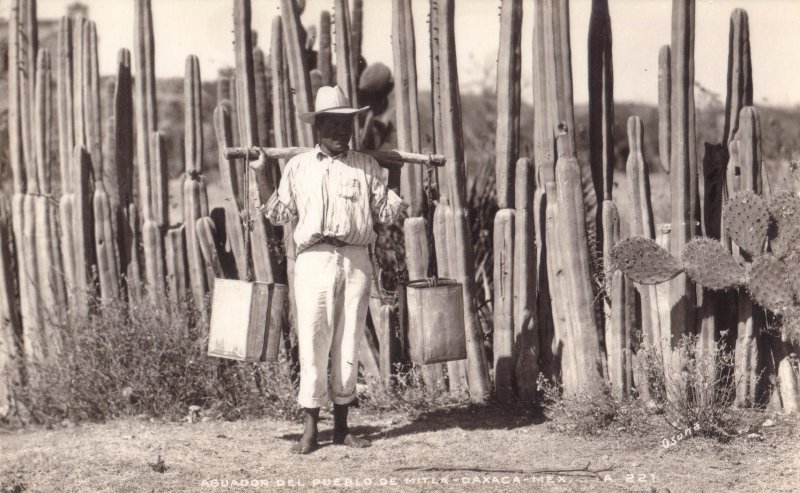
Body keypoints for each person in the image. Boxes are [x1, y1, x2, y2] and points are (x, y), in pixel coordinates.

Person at [252, 85, 408, 454]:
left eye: (346, 125)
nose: (341, 133)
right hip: (313, 260)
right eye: (333, 125)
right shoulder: (298, 167)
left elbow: (385, 214)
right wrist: (261, 174)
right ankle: (310, 429)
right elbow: (278, 215)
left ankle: (341, 428)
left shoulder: (366, 166)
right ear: (317, 128)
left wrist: (395, 174)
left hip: (355, 259)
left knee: (348, 340)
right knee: (313, 339)